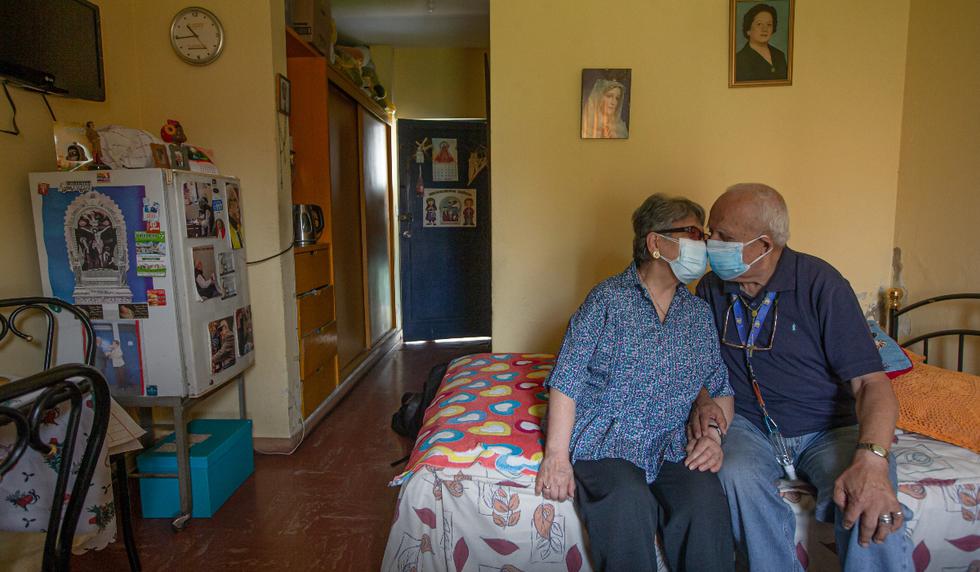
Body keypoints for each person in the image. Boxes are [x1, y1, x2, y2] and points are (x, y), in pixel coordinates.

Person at [689, 183, 910, 571]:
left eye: (723, 237)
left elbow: (872, 384)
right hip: (748, 425)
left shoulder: (821, 285)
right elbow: (700, 366)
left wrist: (873, 460)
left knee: (867, 494)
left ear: (763, 245)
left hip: (827, 429)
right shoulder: (710, 288)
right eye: (711, 233)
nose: (710, 244)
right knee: (733, 472)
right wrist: (707, 405)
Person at [538, 193, 735, 571]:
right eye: (694, 233)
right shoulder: (607, 301)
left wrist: (713, 439)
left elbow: (720, 387)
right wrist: (557, 458)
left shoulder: (697, 314)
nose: (705, 245)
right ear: (656, 243)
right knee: (628, 503)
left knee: (705, 503)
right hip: (607, 438)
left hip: (672, 440)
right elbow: (567, 379)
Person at [735, 4, 788, 82]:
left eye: (769, 24)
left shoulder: (780, 55)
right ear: (748, 30)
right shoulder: (739, 60)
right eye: (759, 24)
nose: (765, 29)